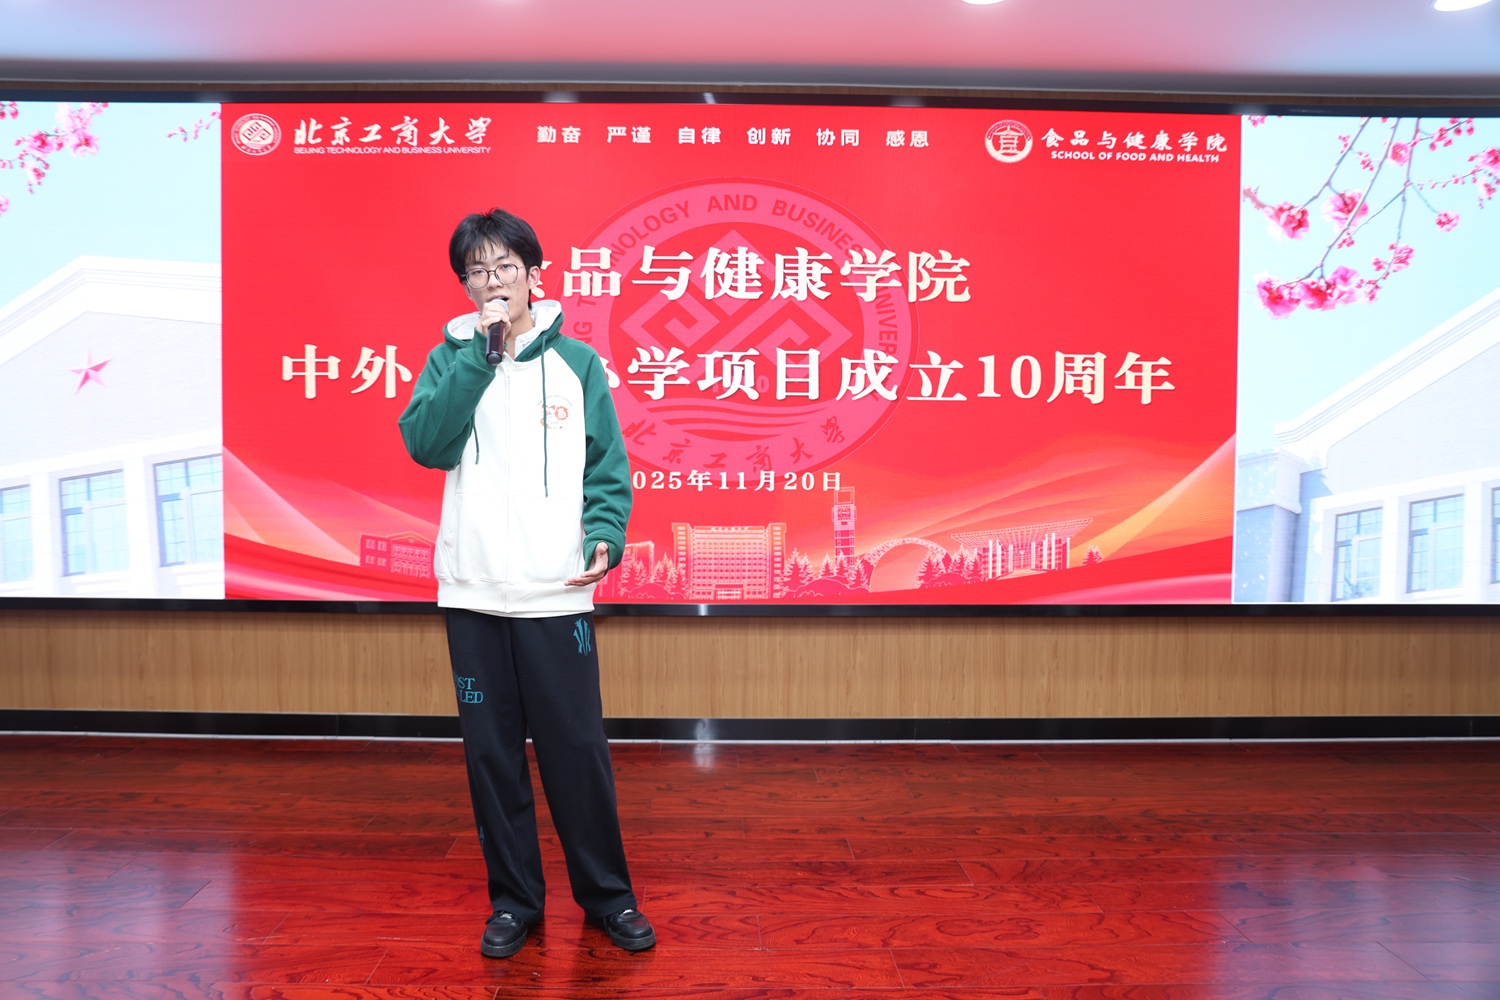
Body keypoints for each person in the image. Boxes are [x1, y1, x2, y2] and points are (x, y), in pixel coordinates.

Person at [398, 208, 653, 958]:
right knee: (491, 757)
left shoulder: (578, 364)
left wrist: (605, 536)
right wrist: (479, 360)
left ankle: (609, 898)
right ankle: (514, 903)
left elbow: (606, 467)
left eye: (504, 267)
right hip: (473, 591)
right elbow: (426, 444)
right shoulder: (450, 359)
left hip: (554, 589)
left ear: (534, 275)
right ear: (465, 285)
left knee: (576, 751)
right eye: (476, 271)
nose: (492, 281)